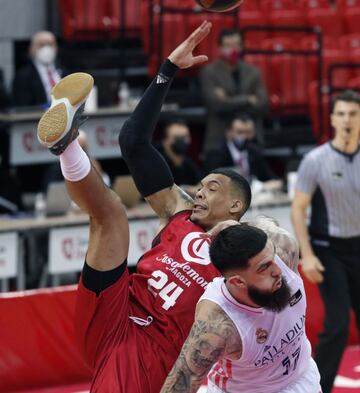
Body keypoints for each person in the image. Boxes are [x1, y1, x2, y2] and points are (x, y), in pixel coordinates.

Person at [37, 21, 252, 393]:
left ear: (236, 204)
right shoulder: (179, 211)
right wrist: (168, 70)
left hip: (153, 345)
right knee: (111, 214)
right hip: (117, 307)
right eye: (199, 186)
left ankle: (68, 148)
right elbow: (133, 142)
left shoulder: (243, 252)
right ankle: (66, 145)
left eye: (211, 188)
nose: (199, 193)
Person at [161, 218, 322, 393]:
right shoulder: (218, 325)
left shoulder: (285, 249)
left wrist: (241, 226)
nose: (277, 270)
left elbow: (268, 222)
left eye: (272, 256)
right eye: (264, 267)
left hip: (302, 379)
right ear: (238, 282)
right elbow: (180, 385)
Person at [291, 89, 360, 393]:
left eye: (353, 114)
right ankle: (318, 388)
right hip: (329, 251)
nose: (347, 119)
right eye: (341, 114)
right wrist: (307, 254)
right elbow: (298, 208)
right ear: (332, 119)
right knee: (337, 326)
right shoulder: (315, 160)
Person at [199, 28, 269, 153]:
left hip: (251, 139)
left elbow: (263, 105)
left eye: (236, 45)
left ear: (242, 47)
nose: (232, 49)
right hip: (219, 140)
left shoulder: (253, 72)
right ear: (220, 48)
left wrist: (228, 100)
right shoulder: (209, 72)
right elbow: (216, 105)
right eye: (228, 46)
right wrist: (248, 99)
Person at [204, 115, 280, 188]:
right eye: (240, 132)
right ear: (228, 133)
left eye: (248, 132)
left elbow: (272, 179)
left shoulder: (254, 152)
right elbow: (209, 184)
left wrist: (263, 185)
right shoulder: (216, 154)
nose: (244, 137)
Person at [12, 31, 63, 107]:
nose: (46, 49)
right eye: (41, 45)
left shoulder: (64, 72)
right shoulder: (23, 76)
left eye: (50, 44)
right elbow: (23, 107)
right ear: (31, 49)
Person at [157, 119, 201, 195]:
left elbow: (201, 185)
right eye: (176, 138)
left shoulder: (188, 163)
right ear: (165, 141)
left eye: (184, 137)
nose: (181, 141)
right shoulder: (157, 164)